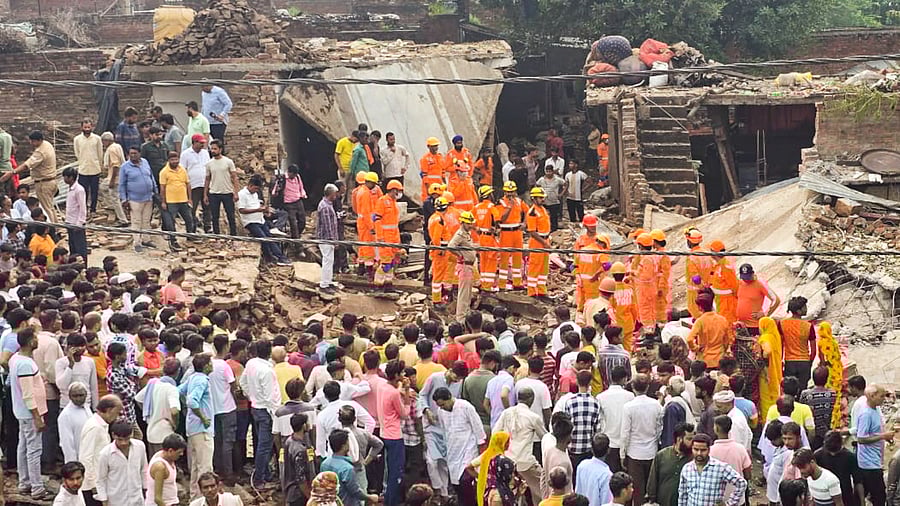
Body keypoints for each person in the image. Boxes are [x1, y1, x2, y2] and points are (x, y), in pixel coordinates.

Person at [11, 327, 48, 500]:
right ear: (30, 341)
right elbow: (27, 394)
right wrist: (37, 416)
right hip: (30, 413)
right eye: (35, 337)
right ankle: (37, 487)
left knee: (24, 447)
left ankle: (24, 482)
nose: (38, 340)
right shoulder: (25, 363)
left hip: (22, 412)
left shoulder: (16, 358)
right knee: (34, 450)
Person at [239, 339, 281, 488]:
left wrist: (251, 396)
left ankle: (266, 473)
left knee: (264, 444)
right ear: (269, 352)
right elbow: (271, 397)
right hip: (266, 411)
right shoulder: (267, 371)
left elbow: (242, 382)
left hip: (256, 408)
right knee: (264, 445)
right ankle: (258, 479)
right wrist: (275, 414)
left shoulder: (251, 364)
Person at [494, 387, 546, 505]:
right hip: (525, 462)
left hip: (508, 461)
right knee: (543, 487)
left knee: (514, 492)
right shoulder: (533, 417)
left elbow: (495, 433)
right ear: (531, 399)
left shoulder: (506, 413)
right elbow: (545, 437)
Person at [432, 386, 487, 495]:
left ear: (449, 397)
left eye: (443, 404)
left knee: (465, 479)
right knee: (456, 484)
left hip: (468, 448)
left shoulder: (465, 407)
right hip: (453, 450)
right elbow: (444, 430)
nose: (442, 408)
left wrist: (481, 447)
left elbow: (478, 427)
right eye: (439, 406)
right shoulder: (441, 411)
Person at [678, 433, 747, 506]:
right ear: (692, 448)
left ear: (709, 450)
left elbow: (741, 483)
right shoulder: (687, 469)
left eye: (703, 450)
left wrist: (729, 504)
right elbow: (683, 495)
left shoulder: (720, 468)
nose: (699, 453)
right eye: (696, 449)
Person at [4, 131, 58, 222]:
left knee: (47, 209)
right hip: (51, 181)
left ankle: (52, 228)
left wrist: (12, 172)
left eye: (33, 141)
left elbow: (26, 165)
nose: (31, 143)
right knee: (50, 207)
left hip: (44, 183)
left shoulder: (40, 152)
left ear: (39, 140)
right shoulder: (47, 144)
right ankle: (56, 227)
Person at [238, 174, 291, 265]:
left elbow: (257, 206)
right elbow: (242, 210)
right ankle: (269, 258)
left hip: (260, 220)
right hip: (250, 222)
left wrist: (265, 210)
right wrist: (258, 210)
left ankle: (281, 258)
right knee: (264, 239)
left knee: (270, 238)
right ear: (250, 185)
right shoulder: (242, 194)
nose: (256, 191)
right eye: (255, 188)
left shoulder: (254, 194)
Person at [80, 394, 124, 506]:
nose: (118, 416)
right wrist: (93, 484)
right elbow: (86, 457)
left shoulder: (102, 426)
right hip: (93, 486)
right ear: (109, 410)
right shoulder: (95, 427)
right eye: (117, 412)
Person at [320, 429, 380, 506]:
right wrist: (370, 497)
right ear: (343, 446)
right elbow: (355, 492)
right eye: (348, 442)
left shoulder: (325, 463)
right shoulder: (347, 468)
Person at [135, 358, 181, 455]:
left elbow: (138, 399)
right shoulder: (171, 389)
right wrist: (175, 424)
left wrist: (149, 412)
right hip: (165, 434)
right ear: (178, 372)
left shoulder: (153, 384)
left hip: (151, 432)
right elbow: (175, 411)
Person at [95, 421, 149, 506]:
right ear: (113, 435)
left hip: (137, 499)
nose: (123, 443)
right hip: (116, 501)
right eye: (120, 439)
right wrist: (104, 501)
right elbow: (101, 479)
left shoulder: (140, 446)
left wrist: (146, 490)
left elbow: (144, 470)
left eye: (126, 439)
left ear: (131, 434)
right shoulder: (105, 454)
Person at [857, 384, 892, 506]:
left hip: (875, 459)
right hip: (869, 464)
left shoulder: (875, 408)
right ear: (872, 396)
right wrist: (883, 436)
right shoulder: (866, 414)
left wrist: (885, 437)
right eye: (881, 396)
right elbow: (861, 438)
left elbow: (874, 431)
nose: (884, 399)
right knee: (879, 497)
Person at [118, 145, 157, 252]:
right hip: (134, 199)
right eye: (131, 154)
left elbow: (151, 177)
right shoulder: (125, 167)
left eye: (135, 153)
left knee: (146, 220)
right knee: (136, 221)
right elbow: (122, 184)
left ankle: (146, 239)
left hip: (148, 197)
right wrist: (124, 199)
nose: (133, 156)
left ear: (139, 154)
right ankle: (137, 243)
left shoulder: (145, 162)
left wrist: (155, 190)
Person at [597, 365, 634, 473]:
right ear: (624, 379)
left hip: (608, 443)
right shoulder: (630, 396)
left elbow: (600, 421)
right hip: (626, 445)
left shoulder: (601, 397)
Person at [648, 422, 694, 506]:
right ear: (679, 439)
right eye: (689, 439)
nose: (692, 443)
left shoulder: (693, 459)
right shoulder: (662, 455)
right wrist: (651, 499)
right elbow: (653, 480)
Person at [816, 430, 865, 506]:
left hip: (845, 496)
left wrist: (862, 502)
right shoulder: (818, 455)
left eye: (835, 452)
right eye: (830, 452)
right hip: (825, 498)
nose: (833, 454)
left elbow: (858, 481)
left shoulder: (850, 457)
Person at [710, 416, 752, 505]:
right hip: (738, 498)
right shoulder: (740, 449)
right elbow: (748, 474)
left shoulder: (710, 451)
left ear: (716, 428)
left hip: (716, 500)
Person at [158, 150, 194, 252]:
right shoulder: (164, 172)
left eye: (176, 159)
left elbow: (188, 184)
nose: (175, 161)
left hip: (183, 200)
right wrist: (163, 202)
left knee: (189, 219)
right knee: (171, 223)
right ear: (169, 160)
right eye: (172, 159)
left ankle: (190, 236)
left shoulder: (182, 170)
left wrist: (190, 199)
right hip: (171, 201)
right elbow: (162, 188)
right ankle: (173, 241)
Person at [467, 431, 514, 506]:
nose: (509, 444)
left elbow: (469, 467)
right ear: (502, 443)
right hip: (500, 494)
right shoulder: (504, 459)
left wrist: (482, 478)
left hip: (488, 492)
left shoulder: (486, 455)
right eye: (507, 442)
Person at [497, 181, 529, 290]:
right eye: (508, 192)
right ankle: (502, 284)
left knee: (517, 257)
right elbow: (501, 218)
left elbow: (528, 211)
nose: (510, 194)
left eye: (512, 192)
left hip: (517, 232)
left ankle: (517, 282)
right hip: (505, 232)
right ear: (504, 192)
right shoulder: (501, 202)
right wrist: (509, 207)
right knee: (504, 258)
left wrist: (524, 223)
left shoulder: (519, 201)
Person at [203, 139, 239, 236]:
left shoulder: (228, 162)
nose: (213, 151)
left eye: (215, 149)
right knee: (215, 216)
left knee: (231, 216)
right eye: (211, 149)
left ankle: (234, 235)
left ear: (220, 149)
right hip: (214, 193)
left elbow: (235, 177)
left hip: (227, 192)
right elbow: (207, 179)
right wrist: (205, 195)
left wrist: (236, 192)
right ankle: (217, 235)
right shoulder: (209, 164)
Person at [735, 263, 780, 335]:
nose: (745, 279)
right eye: (743, 277)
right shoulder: (740, 283)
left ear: (753, 273)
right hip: (741, 325)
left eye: (747, 277)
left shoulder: (760, 284)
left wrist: (765, 313)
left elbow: (775, 300)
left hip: (754, 325)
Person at [449, 210, 478, 319]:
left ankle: (466, 314)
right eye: (468, 223)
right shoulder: (460, 234)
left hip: (469, 266)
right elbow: (451, 246)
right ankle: (461, 317)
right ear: (463, 223)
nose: (471, 225)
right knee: (464, 293)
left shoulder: (466, 233)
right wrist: (460, 255)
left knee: (468, 293)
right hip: (465, 266)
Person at [281, 413, 314, 506]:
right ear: (303, 426)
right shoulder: (300, 450)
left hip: (290, 490)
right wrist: (310, 497)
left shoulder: (289, 441)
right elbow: (300, 478)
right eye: (307, 423)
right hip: (298, 495)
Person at [800, 367, 837, 451]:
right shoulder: (832, 394)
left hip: (810, 433)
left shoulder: (805, 394)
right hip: (825, 432)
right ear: (827, 379)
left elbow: (802, 408)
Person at [181, 134, 212, 233]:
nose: (203, 144)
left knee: (207, 207)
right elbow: (183, 170)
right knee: (192, 208)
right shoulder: (186, 154)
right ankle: (192, 230)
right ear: (194, 142)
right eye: (200, 143)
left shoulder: (205, 153)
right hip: (193, 185)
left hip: (205, 184)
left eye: (203, 143)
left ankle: (208, 227)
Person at [146, 433, 187, 506]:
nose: (181, 454)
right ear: (170, 451)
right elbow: (158, 498)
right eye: (179, 452)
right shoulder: (160, 467)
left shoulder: (168, 457)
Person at [526, 186, 552, 299]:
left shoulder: (543, 209)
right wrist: (544, 242)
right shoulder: (532, 212)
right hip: (537, 242)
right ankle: (532, 292)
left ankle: (542, 291)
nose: (542, 199)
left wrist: (548, 241)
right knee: (535, 267)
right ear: (534, 198)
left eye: (542, 197)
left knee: (544, 268)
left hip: (545, 240)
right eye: (540, 198)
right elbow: (532, 232)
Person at [74, 120, 104, 217]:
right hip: (83, 169)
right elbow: (77, 153)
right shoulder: (77, 139)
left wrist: (100, 165)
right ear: (81, 128)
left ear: (92, 127)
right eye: (85, 127)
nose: (87, 129)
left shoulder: (97, 139)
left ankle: (93, 210)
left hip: (95, 169)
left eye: (88, 127)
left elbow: (100, 153)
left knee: (94, 191)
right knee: (83, 191)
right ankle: (84, 210)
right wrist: (82, 162)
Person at [574, 433, 614, 506]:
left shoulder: (582, 466)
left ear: (592, 449)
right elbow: (606, 502)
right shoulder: (607, 475)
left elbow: (577, 492)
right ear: (608, 450)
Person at [817, 322, 844, 429]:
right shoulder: (833, 342)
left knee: (828, 395)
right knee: (836, 396)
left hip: (829, 372)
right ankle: (836, 422)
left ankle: (829, 422)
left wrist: (821, 368)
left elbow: (823, 360)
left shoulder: (822, 343)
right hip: (837, 370)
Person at [101, 131, 129, 226]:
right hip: (120, 175)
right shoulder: (117, 146)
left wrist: (112, 180)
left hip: (115, 176)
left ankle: (123, 219)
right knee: (103, 188)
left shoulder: (112, 149)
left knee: (114, 198)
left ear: (106, 141)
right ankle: (115, 208)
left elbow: (115, 165)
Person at [58, 382, 92, 463]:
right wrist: (73, 463)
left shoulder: (87, 409)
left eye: (81, 395)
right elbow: (66, 443)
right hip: (78, 459)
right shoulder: (66, 415)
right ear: (69, 396)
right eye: (75, 396)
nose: (78, 399)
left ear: (86, 394)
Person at [758, 316, 784, 418]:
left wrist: (761, 357)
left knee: (766, 398)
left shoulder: (765, 337)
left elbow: (767, 351)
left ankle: (767, 419)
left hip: (767, 371)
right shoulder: (775, 336)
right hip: (776, 369)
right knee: (774, 394)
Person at [317, 183, 341, 292]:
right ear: (330, 194)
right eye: (335, 193)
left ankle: (328, 281)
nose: (336, 196)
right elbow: (328, 226)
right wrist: (333, 240)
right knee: (327, 260)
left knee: (329, 260)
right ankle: (324, 284)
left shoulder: (328, 204)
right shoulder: (325, 207)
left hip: (328, 239)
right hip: (325, 239)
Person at [62, 167, 88, 259]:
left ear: (71, 177)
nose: (64, 179)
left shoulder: (79, 190)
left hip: (76, 223)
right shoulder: (70, 189)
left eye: (65, 177)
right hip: (70, 222)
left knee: (80, 247)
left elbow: (82, 207)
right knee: (72, 246)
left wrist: (80, 223)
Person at [537, 165, 567, 231]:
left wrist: (561, 194)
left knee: (554, 217)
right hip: (544, 201)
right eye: (547, 171)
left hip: (554, 201)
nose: (548, 173)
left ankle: (554, 230)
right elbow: (537, 186)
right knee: (544, 216)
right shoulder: (541, 179)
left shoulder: (557, 179)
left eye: (550, 171)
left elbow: (565, 183)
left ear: (552, 171)